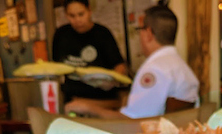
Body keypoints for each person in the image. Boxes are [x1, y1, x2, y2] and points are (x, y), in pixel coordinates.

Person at [64, 5, 199, 119]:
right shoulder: (181, 67)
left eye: (140, 30)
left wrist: (88, 108)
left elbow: (130, 122)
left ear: (148, 33)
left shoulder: (154, 70)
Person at [52, 0, 128, 106]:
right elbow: (56, 66)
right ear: (65, 14)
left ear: (89, 11)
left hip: (102, 99)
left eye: (81, 14)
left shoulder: (102, 34)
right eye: (72, 16)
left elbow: (119, 65)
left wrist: (112, 81)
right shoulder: (61, 34)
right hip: (72, 99)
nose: (77, 20)